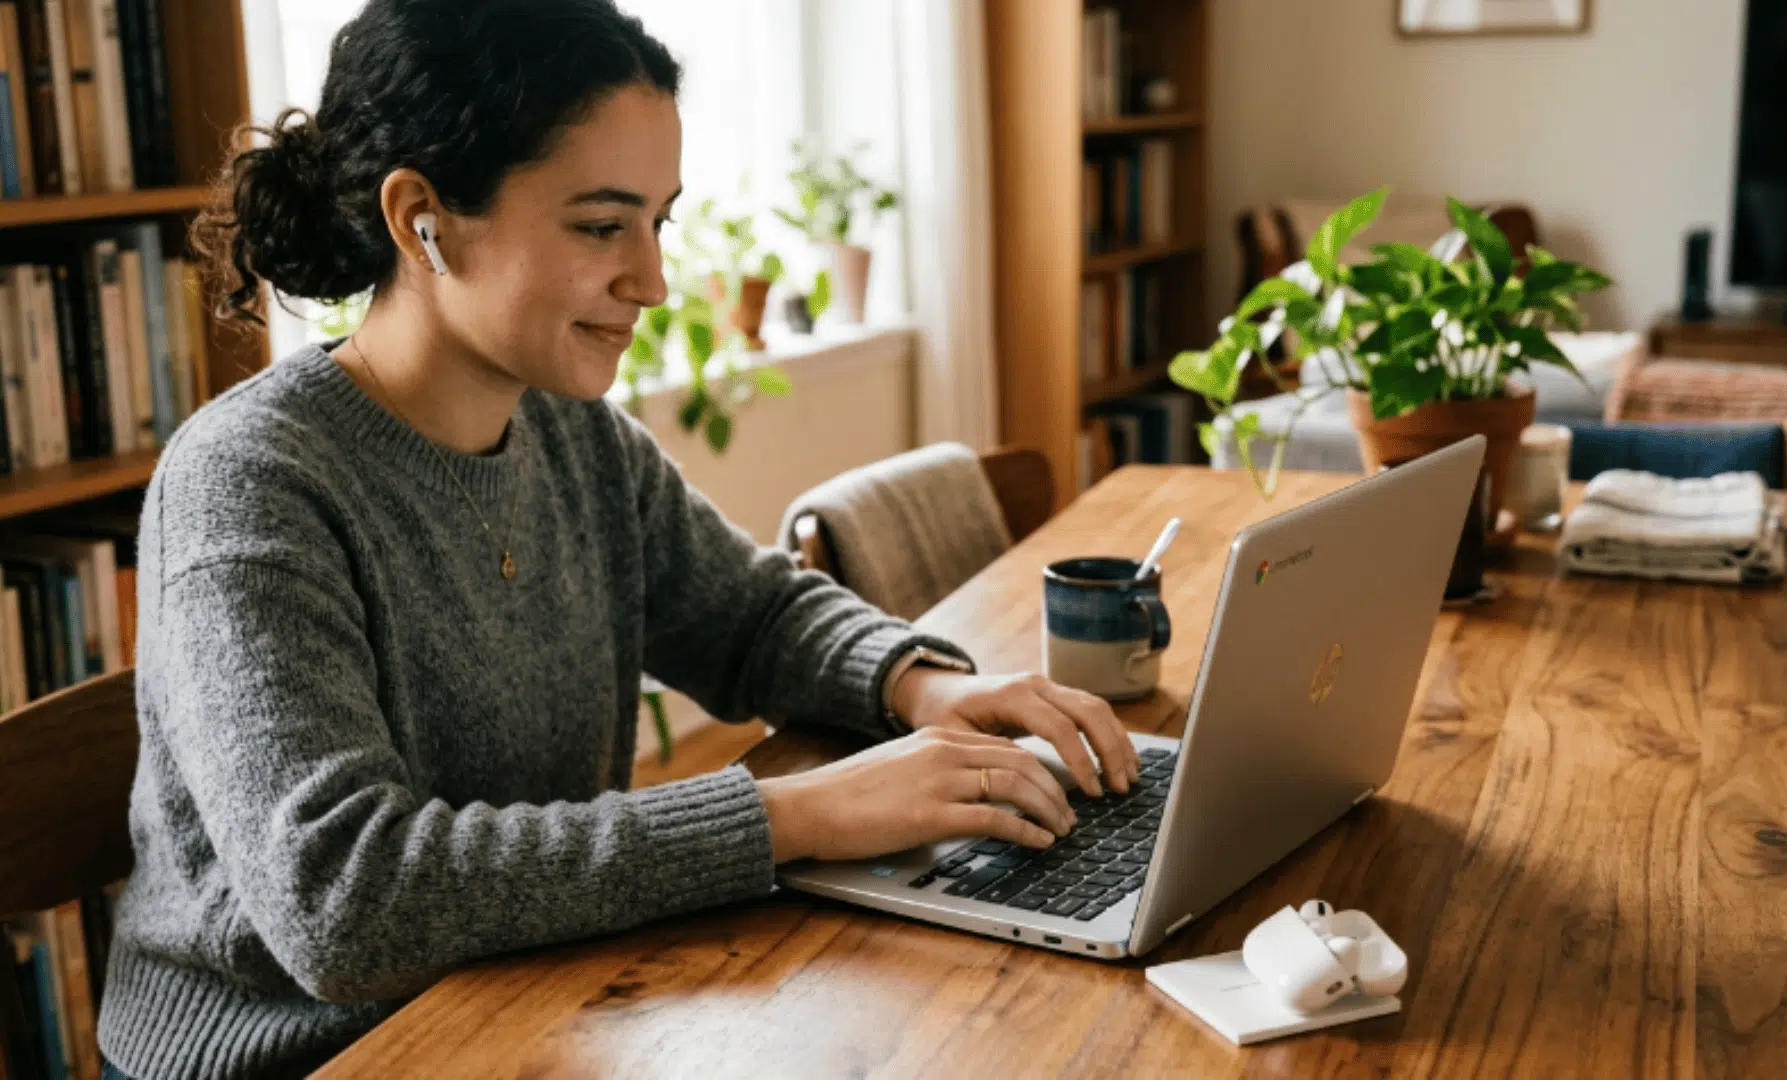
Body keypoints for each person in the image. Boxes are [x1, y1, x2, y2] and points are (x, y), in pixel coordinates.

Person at [94, 3, 1138, 1077]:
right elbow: (347, 902)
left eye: (660, 223)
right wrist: (794, 815)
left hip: (526, 996)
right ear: (421, 220)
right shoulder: (251, 483)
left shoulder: (570, 433)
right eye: (602, 227)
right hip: (301, 1056)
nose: (653, 281)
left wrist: (919, 685)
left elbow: (753, 614)